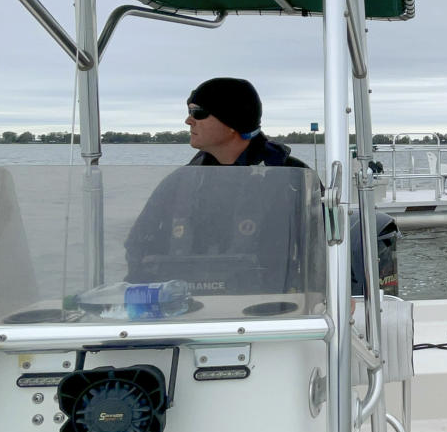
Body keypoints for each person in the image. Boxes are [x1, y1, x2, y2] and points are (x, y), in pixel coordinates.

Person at [124, 78, 313, 285]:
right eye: (189, 112)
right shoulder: (180, 183)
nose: (188, 121)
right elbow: (139, 247)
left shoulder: (292, 179)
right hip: (188, 308)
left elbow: (324, 252)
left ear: (233, 121)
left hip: (269, 309)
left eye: (198, 113)